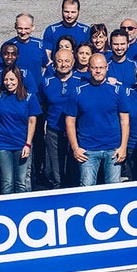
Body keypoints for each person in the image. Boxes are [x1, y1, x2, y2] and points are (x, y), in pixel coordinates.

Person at [65, 54, 129, 187]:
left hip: (113, 148)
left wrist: (123, 147)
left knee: (113, 188)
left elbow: (125, 120)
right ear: (88, 68)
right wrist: (75, 148)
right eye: (94, 68)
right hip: (87, 149)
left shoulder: (118, 90)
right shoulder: (78, 91)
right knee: (87, 188)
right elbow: (70, 121)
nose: (98, 71)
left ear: (107, 68)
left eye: (101, 67)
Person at [37, 45, 80, 190]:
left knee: (75, 168)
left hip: (76, 131)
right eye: (60, 61)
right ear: (54, 63)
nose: (63, 64)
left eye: (67, 61)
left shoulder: (81, 80)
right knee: (56, 169)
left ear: (73, 62)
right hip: (54, 131)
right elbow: (42, 105)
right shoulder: (46, 82)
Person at [0, 67, 38, 195]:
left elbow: (32, 121)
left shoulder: (29, 97)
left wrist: (28, 144)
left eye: (12, 79)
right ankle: (7, 206)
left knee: (21, 181)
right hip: (2, 143)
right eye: (5, 79)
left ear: (19, 79)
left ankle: (23, 206)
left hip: (22, 143)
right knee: (7, 181)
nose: (8, 82)